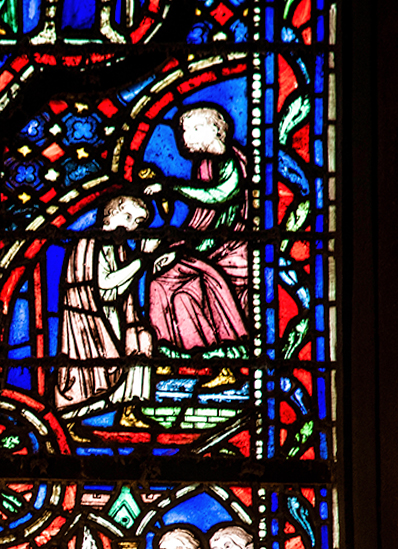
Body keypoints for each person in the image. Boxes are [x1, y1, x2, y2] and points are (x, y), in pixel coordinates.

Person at [143, 105, 251, 357]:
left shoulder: (230, 162)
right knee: (161, 279)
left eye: (189, 130)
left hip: (235, 248)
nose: (183, 138)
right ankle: (173, 351)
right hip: (210, 245)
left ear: (213, 130)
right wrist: (178, 246)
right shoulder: (204, 165)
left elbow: (221, 194)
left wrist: (172, 188)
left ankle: (226, 354)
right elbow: (201, 220)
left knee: (197, 280)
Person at [54, 194, 156, 424]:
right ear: (109, 215)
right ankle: (70, 421)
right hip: (87, 319)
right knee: (89, 375)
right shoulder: (89, 243)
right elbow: (105, 282)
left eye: (136, 223)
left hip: (111, 315)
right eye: (127, 217)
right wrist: (142, 259)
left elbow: (118, 293)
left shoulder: (117, 249)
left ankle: (129, 412)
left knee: (141, 340)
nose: (130, 226)